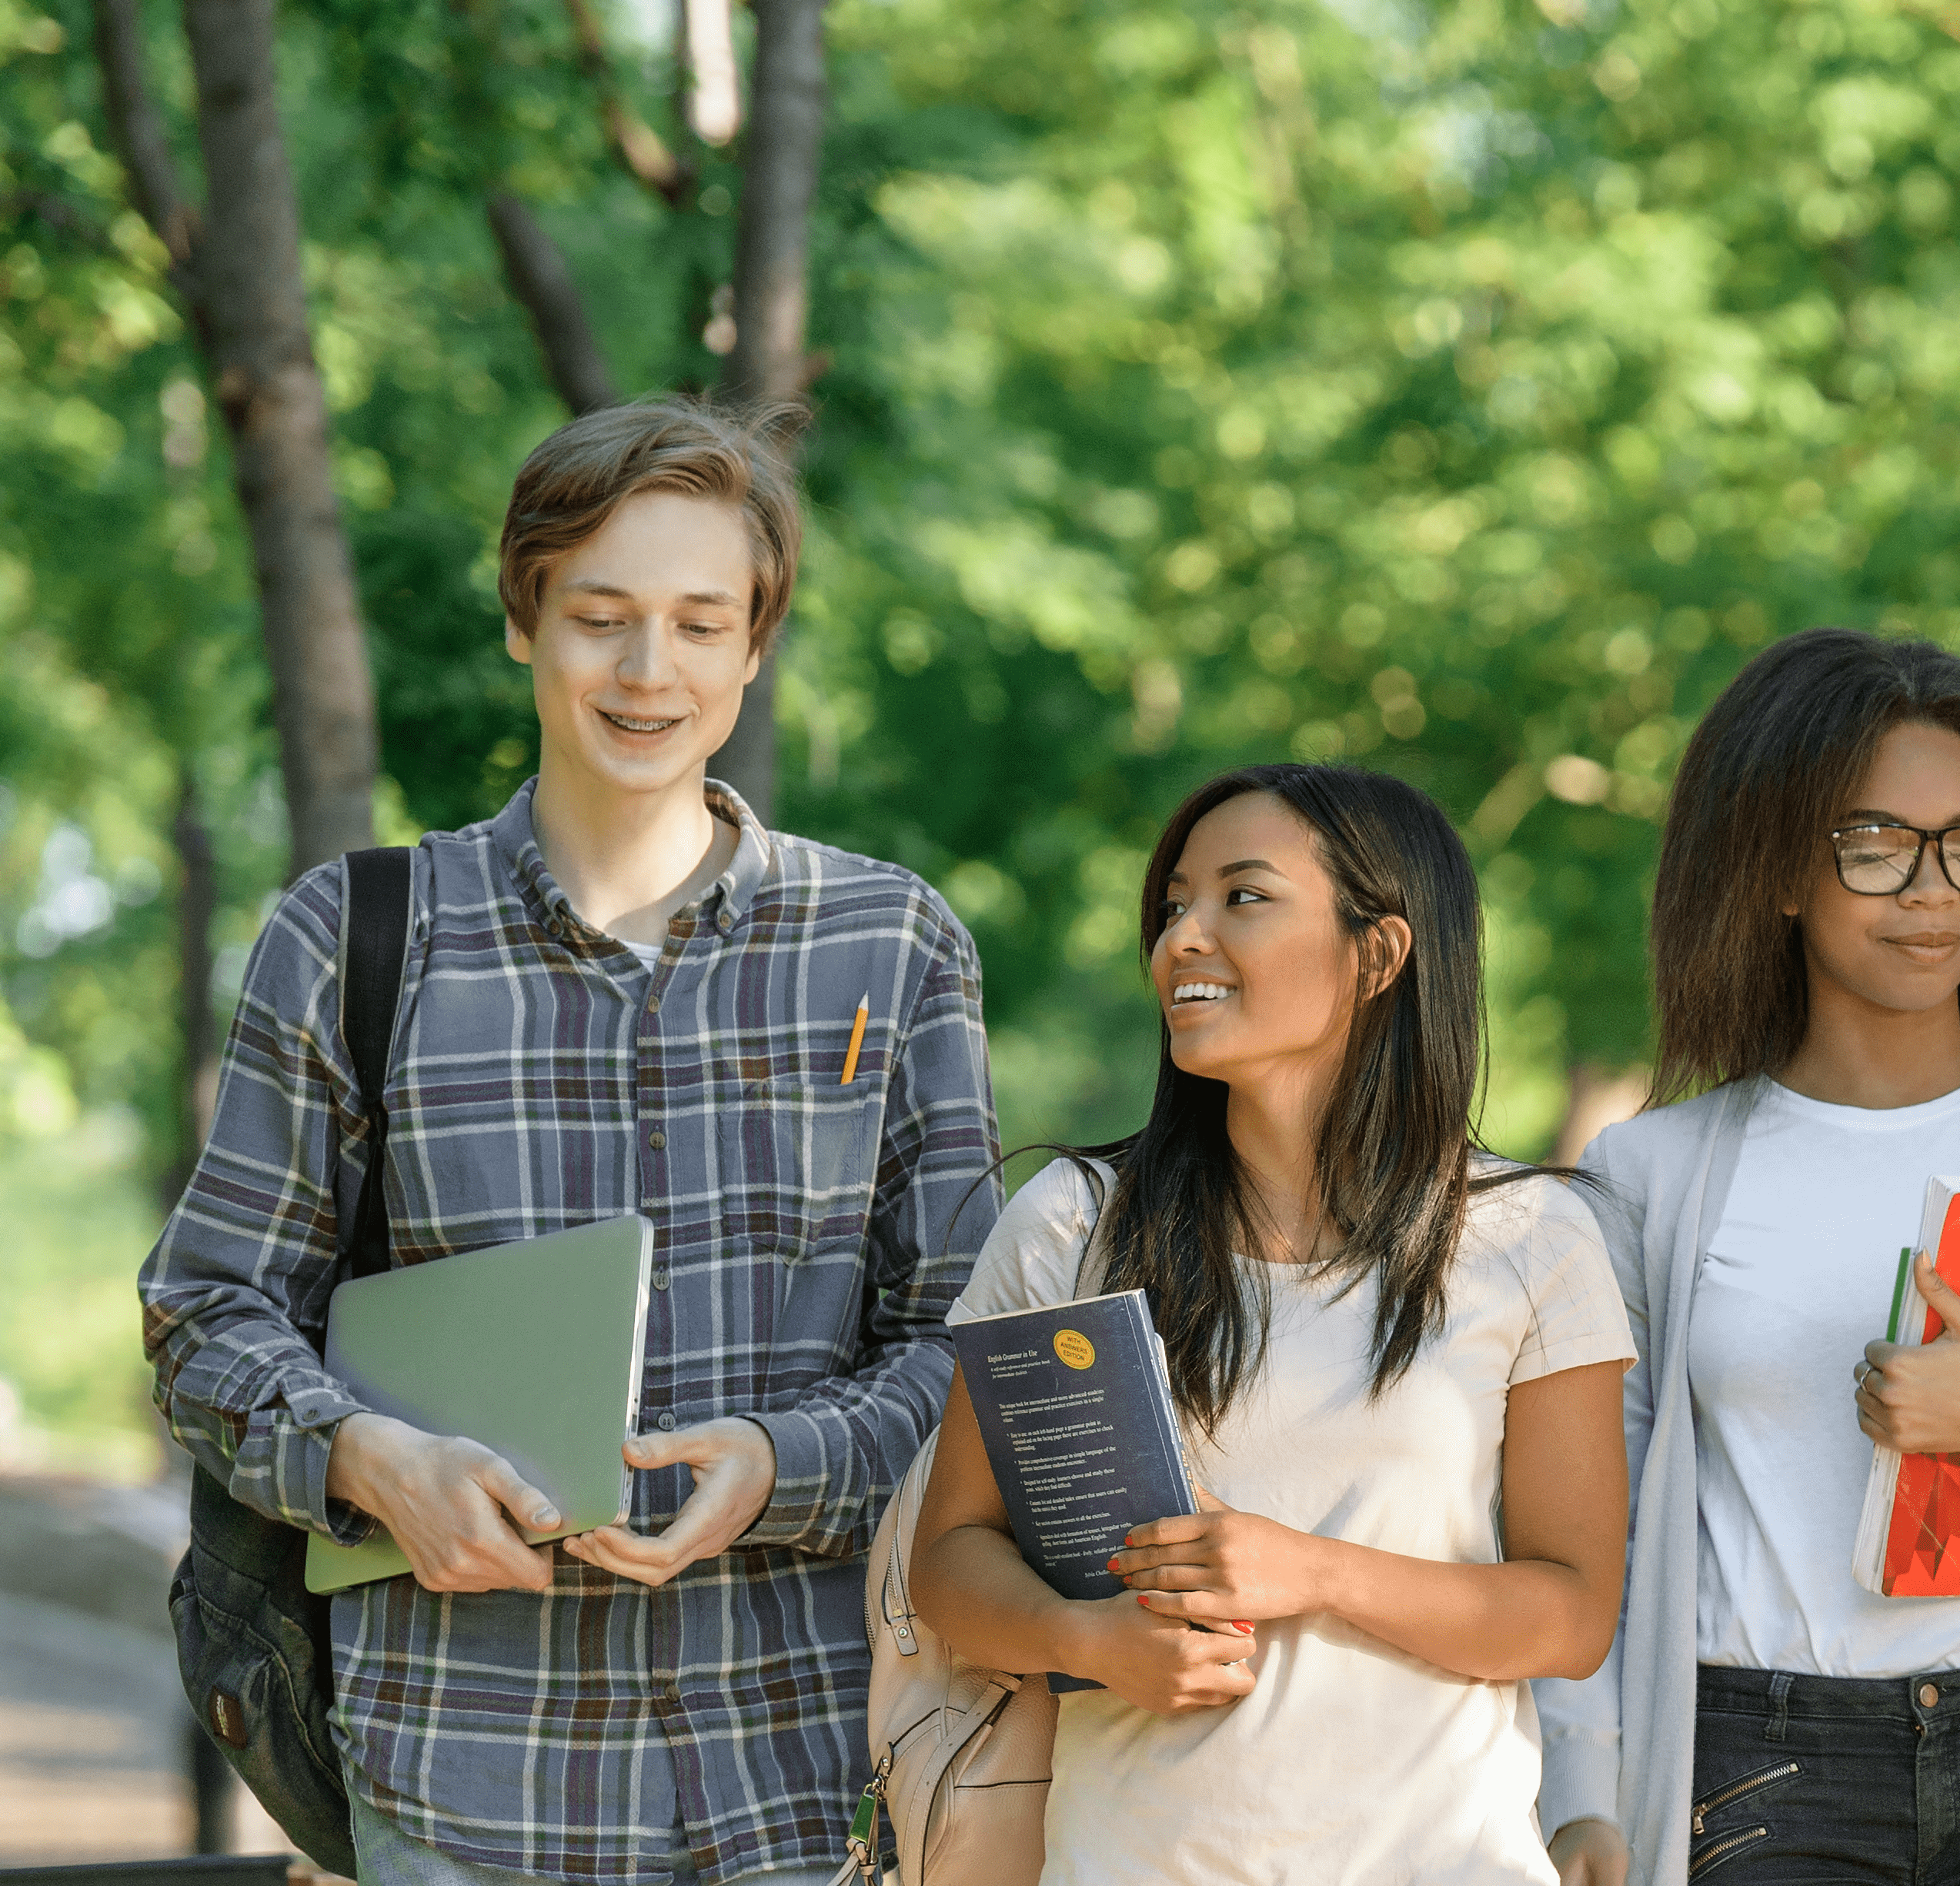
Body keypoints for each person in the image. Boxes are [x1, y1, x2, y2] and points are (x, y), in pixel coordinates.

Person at [142, 397, 1002, 1886]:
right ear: (525, 623)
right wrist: (370, 1458)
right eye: (601, 616)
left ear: (754, 643)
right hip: (463, 1790)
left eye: (696, 621)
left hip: (806, 1790)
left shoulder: (893, 944)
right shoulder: (353, 941)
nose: (647, 669)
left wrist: (783, 1463)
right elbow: (202, 1315)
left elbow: (963, 1347)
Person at [1536, 628, 1960, 1886]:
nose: (1934, 890)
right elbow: (1599, 1544)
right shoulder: (1652, 1179)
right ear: (1779, 870)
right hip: (1760, 1770)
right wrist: (1579, 1791)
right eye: (1875, 846)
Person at [910, 763, 1634, 1884]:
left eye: (1242, 898)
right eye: (1171, 907)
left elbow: (1572, 1615)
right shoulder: (1071, 1227)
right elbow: (952, 1561)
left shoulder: (1535, 1238)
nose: (1182, 939)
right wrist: (1086, 1640)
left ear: (1380, 954)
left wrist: (1315, 1571)